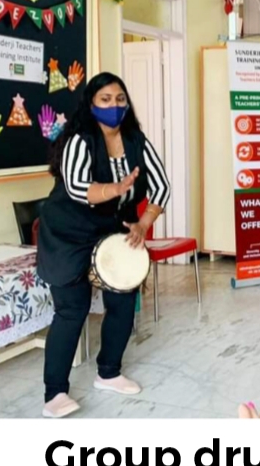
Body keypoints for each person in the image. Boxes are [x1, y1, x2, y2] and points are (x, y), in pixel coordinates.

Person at [37, 72, 170, 418]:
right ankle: (55, 393)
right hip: (67, 232)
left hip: (112, 229)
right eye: (106, 99)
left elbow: (162, 187)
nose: (114, 106)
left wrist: (143, 223)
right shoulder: (79, 140)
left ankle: (108, 372)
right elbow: (77, 187)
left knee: (124, 301)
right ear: (91, 104)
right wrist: (115, 188)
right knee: (72, 309)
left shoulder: (136, 140)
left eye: (120, 99)